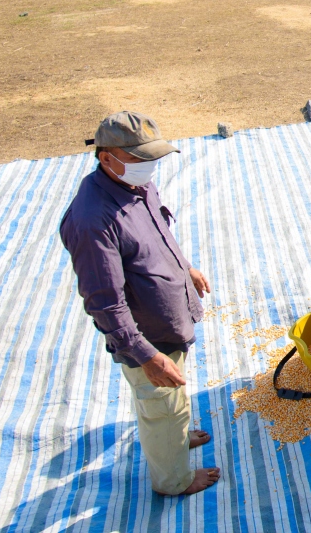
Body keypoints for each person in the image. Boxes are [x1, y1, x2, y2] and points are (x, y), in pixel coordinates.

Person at [60, 111, 219, 496]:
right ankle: (174, 480)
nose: (150, 167)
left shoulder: (136, 186)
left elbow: (159, 233)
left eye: (153, 157)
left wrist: (186, 268)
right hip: (146, 336)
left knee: (170, 398)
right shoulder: (92, 220)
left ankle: (174, 436)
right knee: (160, 405)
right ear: (106, 158)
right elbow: (106, 304)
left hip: (166, 318)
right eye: (140, 159)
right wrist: (146, 357)